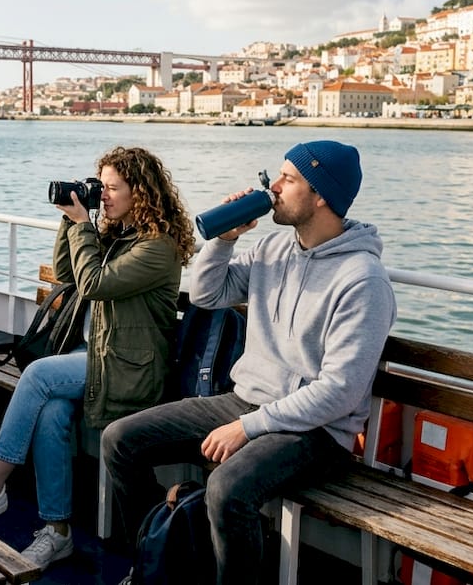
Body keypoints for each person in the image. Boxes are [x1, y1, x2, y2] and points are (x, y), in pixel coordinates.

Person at [102, 140, 397, 584]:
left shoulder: (362, 280)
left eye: (288, 179)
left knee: (227, 489)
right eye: (276, 176)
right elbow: (207, 294)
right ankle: (157, 565)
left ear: (321, 196)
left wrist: (248, 427)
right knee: (120, 439)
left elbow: (340, 392)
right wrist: (223, 240)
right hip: (246, 401)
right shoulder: (273, 250)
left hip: (316, 432)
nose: (273, 187)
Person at [0, 146, 195, 570]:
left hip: (126, 369)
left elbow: (95, 283)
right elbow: (67, 275)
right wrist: (71, 220)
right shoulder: (117, 234)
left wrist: (85, 226)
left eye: (113, 188)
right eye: (102, 187)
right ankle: (58, 532)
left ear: (142, 192)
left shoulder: (158, 246)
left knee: (40, 376)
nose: (106, 196)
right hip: (93, 356)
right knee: (52, 414)